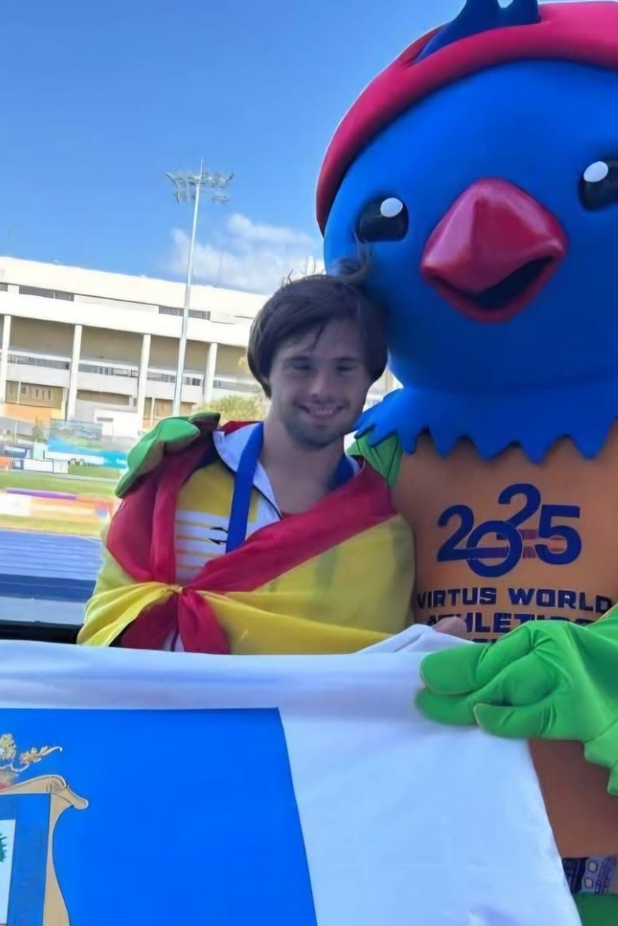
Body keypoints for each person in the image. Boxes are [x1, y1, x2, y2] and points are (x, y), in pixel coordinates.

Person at [78, 271, 420, 653]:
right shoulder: (177, 481)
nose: (323, 387)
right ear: (265, 372)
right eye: (301, 366)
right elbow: (111, 620)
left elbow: (378, 671)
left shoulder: (385, 533)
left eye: (344, 368)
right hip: (168, 710)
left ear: (369, 378)